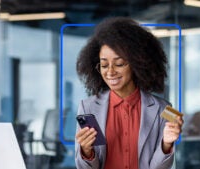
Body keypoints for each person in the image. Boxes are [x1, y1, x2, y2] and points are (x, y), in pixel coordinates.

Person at [75, 17, 184, 169]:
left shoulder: (165, 108)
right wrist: (86, 151)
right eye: (104, 65)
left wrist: (167, 144)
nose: (110, 72)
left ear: (137, 63)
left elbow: (161, 167)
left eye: (119, 64)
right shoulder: (87, 107)